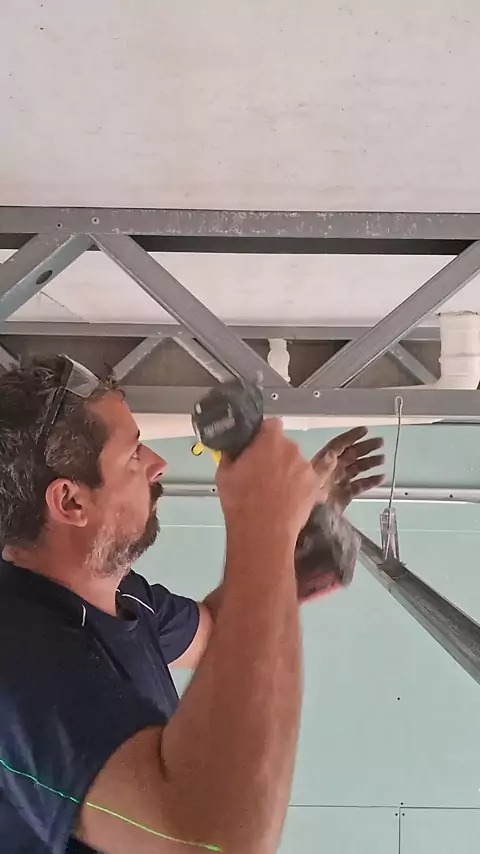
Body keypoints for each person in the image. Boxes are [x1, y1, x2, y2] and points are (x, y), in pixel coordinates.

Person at [0, 354, 384, 854]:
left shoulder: (124, 598)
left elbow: (219, 633)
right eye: (133, 453)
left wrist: (292, 532)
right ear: (71, 502)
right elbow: (211, 843)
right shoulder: (19, 655)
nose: (159, 463)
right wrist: (264, 526)